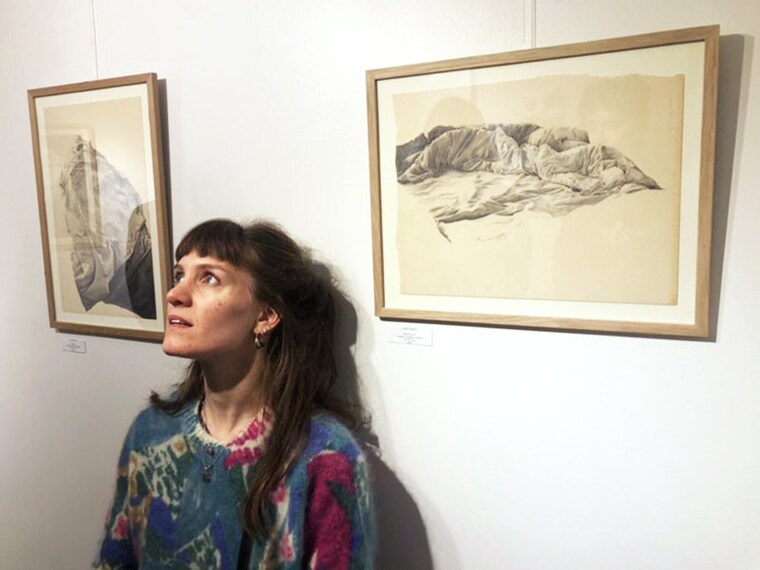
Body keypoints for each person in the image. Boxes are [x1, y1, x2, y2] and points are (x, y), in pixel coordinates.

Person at [94, 219, 375, 569]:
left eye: (209, 278)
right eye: (179, 275)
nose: (174, 294)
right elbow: (114, 559)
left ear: (266, 315)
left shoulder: (325, 456)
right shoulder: (151, 432)